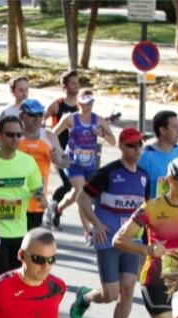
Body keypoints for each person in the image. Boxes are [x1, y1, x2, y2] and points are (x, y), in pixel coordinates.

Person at [68, 127, 149, 318]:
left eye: (140, 145)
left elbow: (146, 210)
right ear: (122, 147)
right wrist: (96, 223)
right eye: (132, 145)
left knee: (128, 289)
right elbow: (83, 198)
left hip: (132, 242)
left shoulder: (144, 176)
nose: (137, 149)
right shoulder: (108, 173)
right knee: (110, 294)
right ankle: (85, 297)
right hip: (108, 240)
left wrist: (146, 245)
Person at [112, 157, 178, 318]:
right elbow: (118, 240)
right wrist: (147, 250)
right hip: (157, 280)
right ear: (171, 179)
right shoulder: (151, 208)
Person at [0, 115, 46, 276]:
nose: (15, 139)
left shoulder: (28, 162)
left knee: (15, 280)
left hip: (20, 232)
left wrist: (40, 198)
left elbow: (36, 189)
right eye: (10, 135)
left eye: (19, 135)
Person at [50, 88, 115, 228]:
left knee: (75, 194)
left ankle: (58, 209)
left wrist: (102, 134)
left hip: (90, 163)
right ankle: (88, 232)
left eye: (91, 103)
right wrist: (59, 151)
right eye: (86, 103)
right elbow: (53, 134)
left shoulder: (98, 120)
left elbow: (113, 141)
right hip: (72, 162)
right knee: (82, 194)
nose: (89, 106)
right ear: (79, 103)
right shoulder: (70, 118)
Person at [15, 99, 68, 234]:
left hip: (37, 200)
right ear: (22, 116)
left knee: (30, 243)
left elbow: (66, 161)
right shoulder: (14, 135)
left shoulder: (49, 136)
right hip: (14, 198)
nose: (37, 119)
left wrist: (58, 160)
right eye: (33, 115)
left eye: (40, 115)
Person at [43, 70, 80, 227]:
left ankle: (55, 207)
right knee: (69, 184)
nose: (76, 86)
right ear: (64, 86)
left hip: (77, 153)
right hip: (59, 151)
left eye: (78, 83)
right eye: (73, 83)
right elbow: (41, 120)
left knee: (74, 186)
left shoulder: (80, 106)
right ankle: (54, 206)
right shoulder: (57, 105)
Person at [138, 110, 178, 198]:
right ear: (163, 130)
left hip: (176, 207)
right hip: (153, 209)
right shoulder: (145, 157)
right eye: (174, 127)